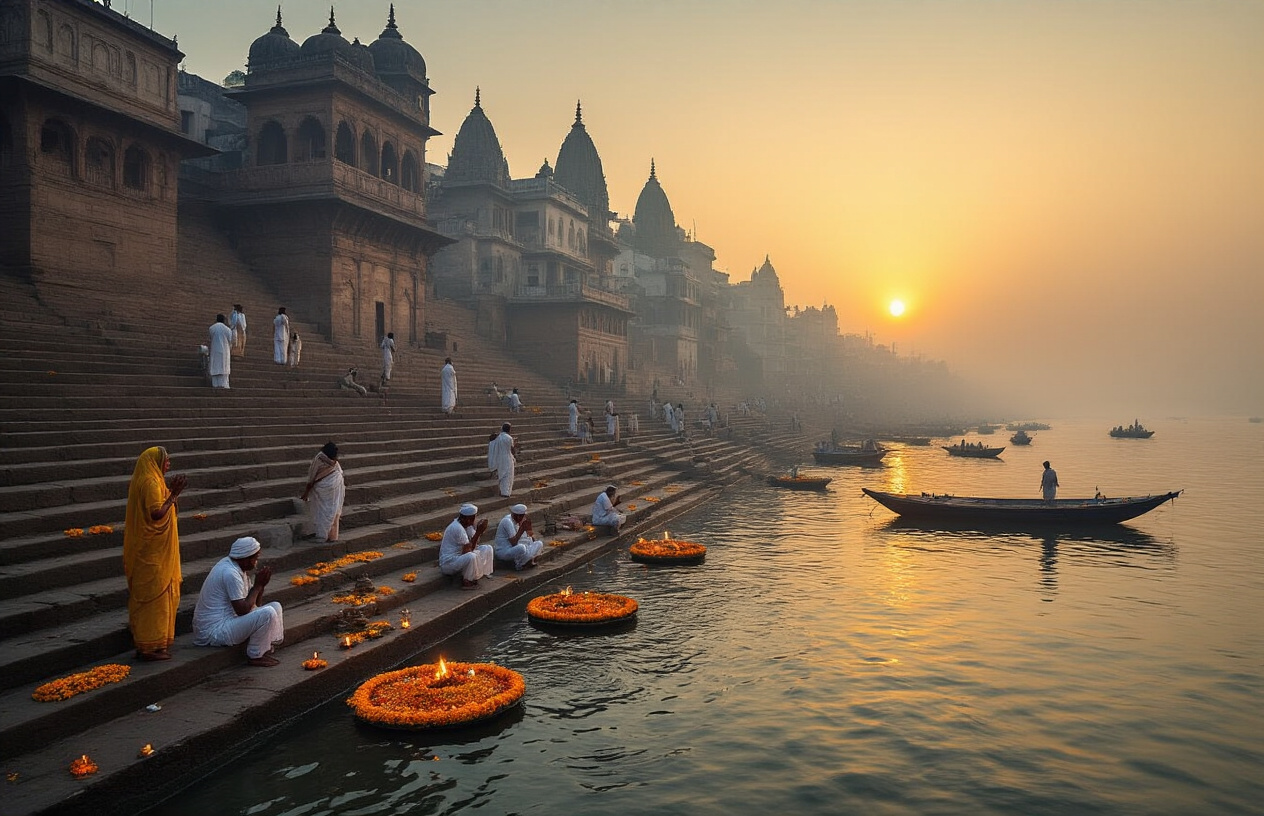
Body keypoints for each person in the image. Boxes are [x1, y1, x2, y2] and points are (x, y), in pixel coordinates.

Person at [123, 447, 186, 661]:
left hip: (160, 551)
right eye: (166, 460)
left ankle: (158, 644)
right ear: (155, 462)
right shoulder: (150, 482)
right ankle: (147, 648)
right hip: (152, 554)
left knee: (164, 596)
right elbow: (156, 514)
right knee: (154, 597)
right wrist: (174, 495)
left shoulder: (156, 480)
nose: (169, 464)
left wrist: (171, 494)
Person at [191, 537, 284, 668]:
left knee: (275, 606)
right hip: (214, 631)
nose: (256, 563)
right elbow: (242, 610)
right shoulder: (230, 573)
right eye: (255, 558)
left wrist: (260, 587)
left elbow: (254, 605)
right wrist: (257, 586)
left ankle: (265, 646)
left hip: (229, 620)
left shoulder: (238, 569)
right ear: (246, 558)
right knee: (268, 613)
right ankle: (256, 655)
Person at [439, 503, 494, 589]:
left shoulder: (467, 525)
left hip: (460, 556)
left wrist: (479, 530)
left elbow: (475, 543)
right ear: (468, 519)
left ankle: (481, 574)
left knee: (487, 548)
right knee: (471, 556)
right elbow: (468, 551)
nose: (475, 519)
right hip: (449, 563)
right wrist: (479, 532)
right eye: (474, 517)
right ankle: (467, 581)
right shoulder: (457, 528)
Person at [301, 442, 344, 542]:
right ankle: (332, 536)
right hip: (335, 486)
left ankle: (322, 535)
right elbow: (340, 472)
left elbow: (311, 477)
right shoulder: (335, 460)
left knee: (323, 511)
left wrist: (306, 493)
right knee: (332, 510)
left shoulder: (319, 458)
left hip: (323, 488)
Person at [494, 503, 544, 570]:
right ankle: (520, 565)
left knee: (539, 543)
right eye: (518, 516)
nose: (520, 518)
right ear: (515, 515)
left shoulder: (522, 520)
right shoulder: (507, 521)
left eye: (522, 516)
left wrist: (530, 534)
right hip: (504, 551)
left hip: (516, 548)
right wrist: (522, 529)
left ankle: (527, 561)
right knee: (521, 548)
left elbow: (529, 537)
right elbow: (513, 542)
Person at [487, 423, 517, 497]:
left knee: (502, 474)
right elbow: (512, 449)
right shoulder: (509, 438)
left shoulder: (498, 437)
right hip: (507, 457)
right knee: (508, 474)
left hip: (500, 458)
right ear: (509, 429)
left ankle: (503, 491)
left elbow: (491, 442)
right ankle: (506, 492)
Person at [207, 314, 232, 388]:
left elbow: (210, 338)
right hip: (225, 350)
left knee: (215, 366)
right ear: (224, 320)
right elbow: (230, 341)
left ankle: (215, 384)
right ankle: (224, 384)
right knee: (223, 367)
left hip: (215, 349)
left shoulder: (211, 328)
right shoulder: (227, 329)